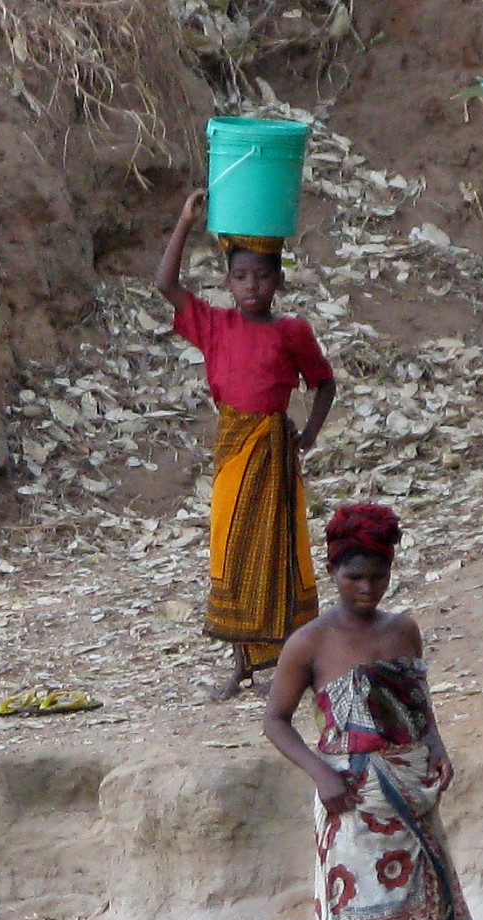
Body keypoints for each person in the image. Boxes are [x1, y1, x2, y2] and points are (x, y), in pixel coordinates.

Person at [264, 503, 475, 920]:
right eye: (355, 576)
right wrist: (320, 772)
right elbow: (275, 720)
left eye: (378, 575)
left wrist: (437, 748)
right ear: (334, 573)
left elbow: (418, 708)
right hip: (351, 802)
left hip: (409, 794)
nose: (367, 587)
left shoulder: (402, 630)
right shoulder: (310, 642)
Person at [156, 188, 337, 699]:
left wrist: (309, 433)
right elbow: (165, 284)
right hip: (233, 449)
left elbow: (324, 383)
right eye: (240, 276)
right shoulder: (216, 325)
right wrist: (185, 221)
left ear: (278, 280)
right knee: (232, 551)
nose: (251, 285)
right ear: (227, 282)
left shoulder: (292, 331)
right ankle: (241, 666)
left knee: (277, 553)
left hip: (273, 450)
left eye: (261, 275)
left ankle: (286, 666)